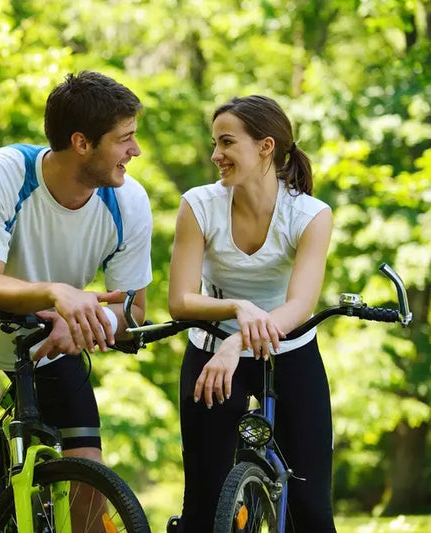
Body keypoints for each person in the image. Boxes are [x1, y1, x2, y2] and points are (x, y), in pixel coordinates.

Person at [0, 70, 153, 533]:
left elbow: (133, 310)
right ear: (82, 143)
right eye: (124, 139)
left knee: (90, 469)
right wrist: (58, 293)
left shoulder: (128, 203)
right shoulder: (1, 172)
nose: (135, 151)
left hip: (48, 340)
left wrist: (87, 319)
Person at [168, 95, 336, 532]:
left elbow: (300, 305)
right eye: (214, 143)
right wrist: (238, 309)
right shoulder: (199, 205)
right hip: (210, 354)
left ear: (266, 146)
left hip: (289, 352)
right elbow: (181, 299)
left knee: (312, 507)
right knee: (203, 506)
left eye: (226, 143)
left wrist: (239, 339)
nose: (215, 155)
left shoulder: (309, 214)